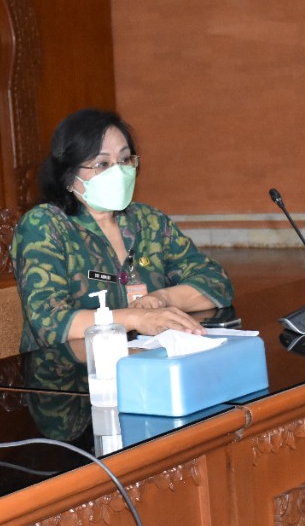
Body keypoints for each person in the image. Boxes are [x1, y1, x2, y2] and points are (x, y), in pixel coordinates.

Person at [12, 108, 234, 351]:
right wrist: (135, 318)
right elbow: (48, 320)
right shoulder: (44, 225)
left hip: (146, 360)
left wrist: (162, 299)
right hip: (68, 367)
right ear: (68, 175)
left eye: (125, 160)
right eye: (102, 163)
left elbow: (216, 283)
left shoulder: (148, 221)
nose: (118, 171)